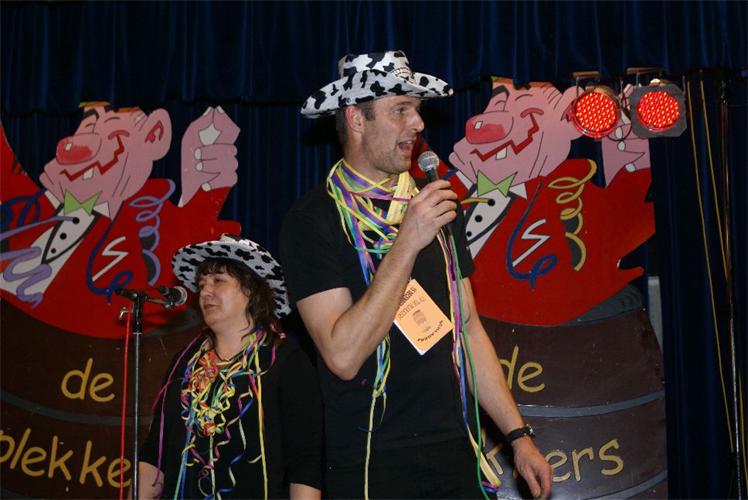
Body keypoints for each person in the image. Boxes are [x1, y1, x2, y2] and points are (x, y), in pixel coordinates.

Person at [280, 50, 552, 499]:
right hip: (370, 462)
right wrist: (407, 242)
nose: (418, 123)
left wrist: (518, 436)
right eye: (400, 110)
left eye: (418, 109)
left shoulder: (435, 205)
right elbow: (342, 355)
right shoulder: (313, 220)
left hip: (454, 450)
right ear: (356, 119)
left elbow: (467, 327)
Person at [137, 234, 323, 499]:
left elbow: (305, 463)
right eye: (201, 284)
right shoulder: (185, 363)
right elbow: (156, 453)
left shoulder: (285, 362)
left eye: (218, 281)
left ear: (251, 289)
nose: (205, 292)